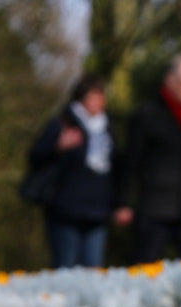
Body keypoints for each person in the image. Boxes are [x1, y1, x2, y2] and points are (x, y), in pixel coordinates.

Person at [114, 53, 181, 265]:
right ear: (170, 80)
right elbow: (131, 161)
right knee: (142, 270)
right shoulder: (146, 115)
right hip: (154, 209)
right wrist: (122, 202)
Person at [27, 73, 116, 269]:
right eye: (93, 96)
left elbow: (117, 167)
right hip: (65, 212)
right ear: (81, 98)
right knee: (65, 269)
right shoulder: (63, 123)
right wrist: (57, 146)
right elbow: (35, 156)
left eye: (101, 96)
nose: (98, 101)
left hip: (97, 212)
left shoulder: (107, 127)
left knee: (94, 271)